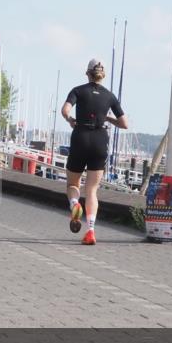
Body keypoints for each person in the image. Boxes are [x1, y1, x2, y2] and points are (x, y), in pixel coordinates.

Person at [60, 59, 128, 245]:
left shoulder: (78, 90)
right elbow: (124, 124)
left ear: (87, 73)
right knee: (92, 190)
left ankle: (75, 205)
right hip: (100, 139)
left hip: (81, 136)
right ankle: (90, 230)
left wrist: (70, 120)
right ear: (102, 75)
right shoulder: (110, 96)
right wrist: (107, 118)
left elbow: (65, 110)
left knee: (73, 184)